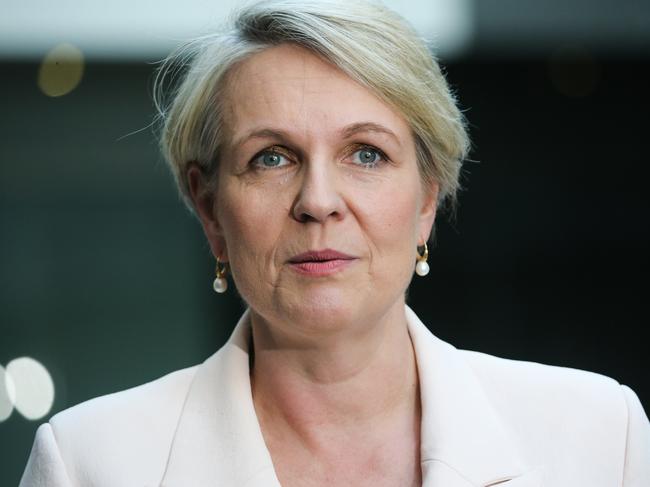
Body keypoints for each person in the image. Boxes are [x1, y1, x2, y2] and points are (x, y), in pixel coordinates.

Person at [20, 1, 650, 486]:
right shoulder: (88, 462)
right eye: (271, 157)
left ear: (427, 199)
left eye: (367, 154)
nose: (318, 200)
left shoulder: (600, 436)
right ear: (210, 207)